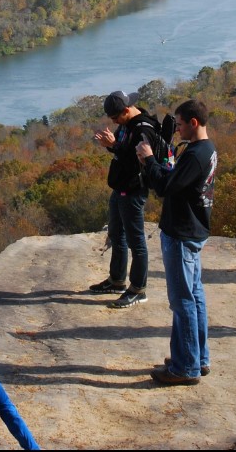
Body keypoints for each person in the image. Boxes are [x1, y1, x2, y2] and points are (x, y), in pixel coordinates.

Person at [136, 98, 217, 386]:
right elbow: (177, 181)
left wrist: (148, 159)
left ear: (194, 123)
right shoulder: (206, 150)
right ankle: (197, 357)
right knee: (194, 297)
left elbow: (166, 187)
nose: (178, 130)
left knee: (182, 301)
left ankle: (185, 367)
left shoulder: (195, 154)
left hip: (181, 233)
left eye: (181, 124)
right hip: (193, 231)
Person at [89, 90, 162, 309]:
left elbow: (139, 161)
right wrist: (113, 146)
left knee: (136, 242)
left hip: (133, 190)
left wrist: (114, 146)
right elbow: (124, 154)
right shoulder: (128, 125)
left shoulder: (142, 130)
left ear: (127, 109)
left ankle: (138, 289)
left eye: (116, 118)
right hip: (120, 188)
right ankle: (117, 280)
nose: (113, 122)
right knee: (116, 234)